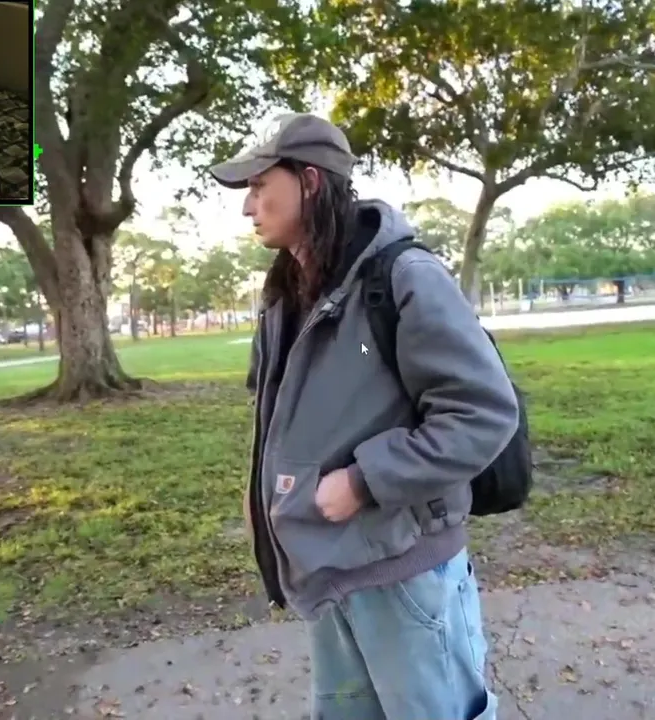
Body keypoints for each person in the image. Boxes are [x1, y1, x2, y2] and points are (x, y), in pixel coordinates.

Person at [210, 113, 518, 720]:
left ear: (309, 181)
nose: (247, 207)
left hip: (406, 578)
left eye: (259, 186)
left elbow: (482, 412)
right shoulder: (286, 293)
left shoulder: (403, 277)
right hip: (329, 571)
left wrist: (362, 481)